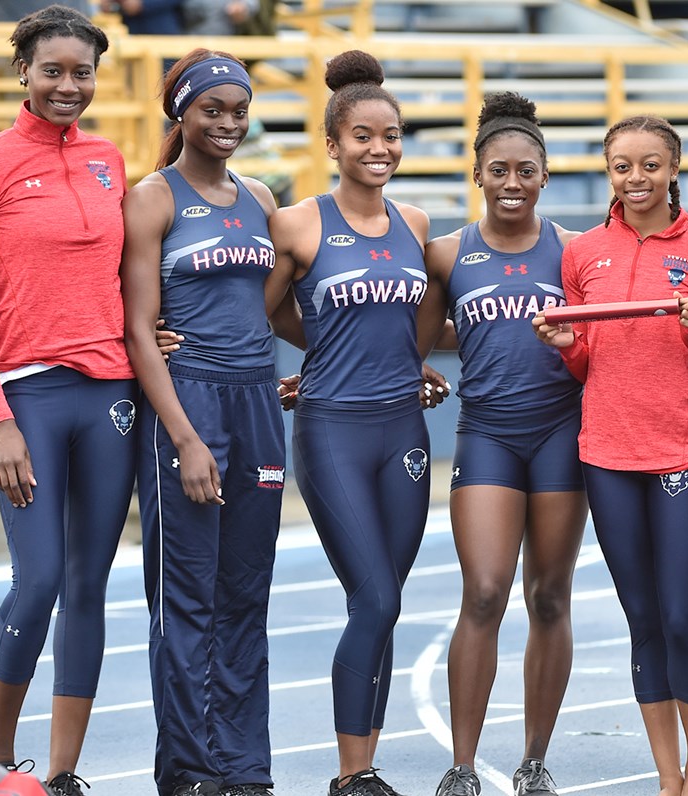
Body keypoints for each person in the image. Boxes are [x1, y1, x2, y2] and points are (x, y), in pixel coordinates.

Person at [0, 7, 132, 796]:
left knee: (90, 583)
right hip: (30, 397)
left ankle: (62, 775)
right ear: (22, 71)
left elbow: (126, 276)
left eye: (81, 72)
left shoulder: (108, 160)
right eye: (52, 70)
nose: (68, 85)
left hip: (112, 396)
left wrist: (151, 335)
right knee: (41, 577)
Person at [532, 115, 688, 796]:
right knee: (642, 618)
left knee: (681, 614)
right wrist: (566, 348)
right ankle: (668, 774)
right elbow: (589, 365)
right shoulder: (583, 251)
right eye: (622, 166)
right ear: (607, 170)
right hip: (608, 451)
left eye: (651, 165)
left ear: (675, 167)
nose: (636, 178)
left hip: (683, 446)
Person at [261, 48, 431, 796]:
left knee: (384, 600)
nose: (379, 148)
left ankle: (366, 767)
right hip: (332, 429)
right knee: (377, 598)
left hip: (406, 432)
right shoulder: (297, 224)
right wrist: (321, 353)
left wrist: (408, 363)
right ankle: (350, 774)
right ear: (332, 143)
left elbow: (416, 316)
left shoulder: (416, 222)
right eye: (362, 135)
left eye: (390, 135)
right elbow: (261, 310)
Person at [121, 49, 282, 796]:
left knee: (247, 595)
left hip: (256, 404)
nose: (228, 124)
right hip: (188, 406)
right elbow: (136, 330)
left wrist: (390, 361)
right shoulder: (153, 198)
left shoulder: (261, 197)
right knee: (187, 599)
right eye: (212, 109)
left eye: (238, 111)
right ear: (180, 112)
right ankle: (189, 768)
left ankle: (245, 767)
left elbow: (279, 308)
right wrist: (185, 437)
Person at [418, 92, 588, 796]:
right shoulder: (447, 254)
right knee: (484, 592)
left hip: (560, 434)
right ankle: (462, 766)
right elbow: (413, 340)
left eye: (526, 171)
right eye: (499, 171)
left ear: (545, 176)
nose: (512, 183)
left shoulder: (575, 253)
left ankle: (534, 760)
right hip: (487, 434)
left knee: (549, 596)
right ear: (478, 175)